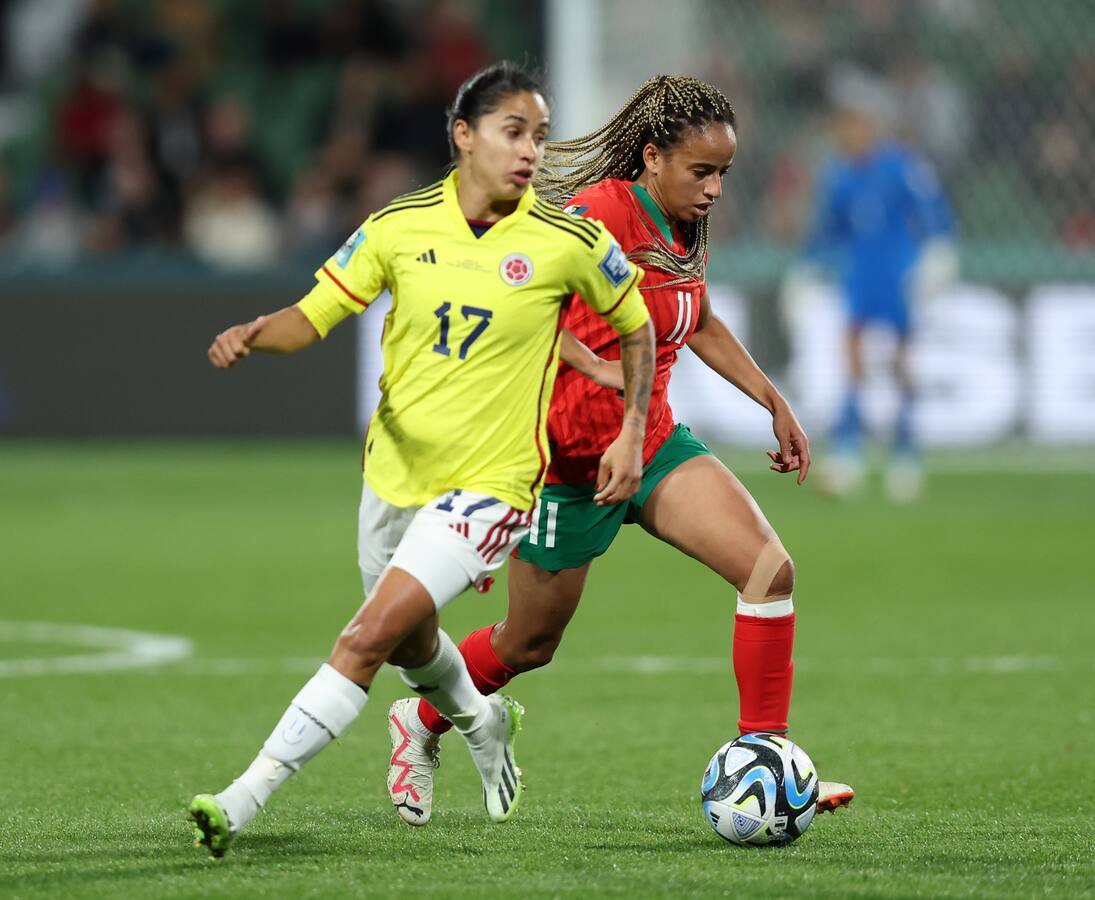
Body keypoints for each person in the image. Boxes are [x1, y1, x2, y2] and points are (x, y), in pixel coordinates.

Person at [188, 61, 656, 857]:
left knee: (366, 638)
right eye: (514, 132)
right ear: (463, 136)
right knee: (409, 642)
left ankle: (241, 798)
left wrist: (634, 425)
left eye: (539, 137)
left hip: (493, 486)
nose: (530, 152)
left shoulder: (568, 239)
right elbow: (316, 313)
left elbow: (636, 324)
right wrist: (255, 332)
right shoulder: (400, 226)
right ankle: (481, 717)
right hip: (394, 474)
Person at [384, 75, 854, 826]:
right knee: (527, 643)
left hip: (653, 445)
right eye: (701, 172)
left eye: (724, 174)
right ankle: (421, 721)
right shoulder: (593, 218)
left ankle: (765, 764)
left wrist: (772, 399)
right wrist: (599, 374)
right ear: (651, 157)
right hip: (567, 468)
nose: (714, 191)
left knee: (768, 570)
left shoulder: (681, 228)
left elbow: (693, 319)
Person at [803, 69, 957, 502]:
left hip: (897, 274)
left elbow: (933, 214)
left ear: (870, 124)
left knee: (899, 362)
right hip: (859, 275)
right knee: (851, 360)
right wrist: (807, 270)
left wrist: (938, 254)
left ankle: (906, 450)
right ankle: (849, 451)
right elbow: (826, 233)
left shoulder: (901, 166)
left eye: (851, 122)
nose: (844, 132)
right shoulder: (840, 174)